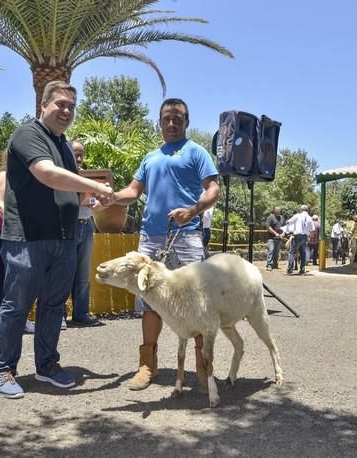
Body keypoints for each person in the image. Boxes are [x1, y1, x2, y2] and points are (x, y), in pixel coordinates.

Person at [0, 81, 114, 399]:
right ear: (43, 105)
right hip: (28, 239)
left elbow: (71, 191)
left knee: (54, 306)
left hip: (65, 239)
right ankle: (2, 369)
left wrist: (92, 201)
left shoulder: (64, 145)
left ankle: (46, 365)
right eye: (60, 104)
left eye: (71, 106)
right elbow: (46, 174)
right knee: (16, 305)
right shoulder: (28, 134)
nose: (66, 111)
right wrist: (96, 187)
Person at [110, 98, 219, 392]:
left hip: (187, 238)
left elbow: (214, 188)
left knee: (197, 301)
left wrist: (193, 211)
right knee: (150, 301)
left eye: (178, 119)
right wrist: (109, 197)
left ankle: (202, 365)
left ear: (187, 122)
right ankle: (147, 365)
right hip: (151, 239)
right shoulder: (150, 158)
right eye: (167, 119)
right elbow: (132, 192)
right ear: (159, 122)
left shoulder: (196, 152)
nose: (172, 124)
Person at [0, 151, 36, 334]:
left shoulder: (29, 177)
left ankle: (21, 318)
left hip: (26, 234)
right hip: (7, 232)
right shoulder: (4, 175)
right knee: (6, 275)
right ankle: (1, 319)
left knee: (23, 277)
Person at [67, 140, 100, 327]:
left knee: (83, 273)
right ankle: (59, 315)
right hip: (68, 225)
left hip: (86, 224)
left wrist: (98, 202)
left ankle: (81, 313)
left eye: (81, 154)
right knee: (62, 271)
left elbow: (95, 199)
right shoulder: (62, 174)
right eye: (75, 153)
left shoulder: (90, 176)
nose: (79, 157)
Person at [284, 204, 314, 274]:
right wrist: (309, 237)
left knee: (292, 252)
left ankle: (290, 270)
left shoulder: (297, 216)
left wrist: (288, 224)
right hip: (305, 236)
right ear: (307, 210)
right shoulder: (309, 218)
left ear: (301, 210)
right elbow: (312, 230)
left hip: (297, 236)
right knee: (302, 253)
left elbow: (288, 222)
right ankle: (302, 270)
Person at [265, 206, 284, 271]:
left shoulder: (281, 218)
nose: (278, 212)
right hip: (271, 238)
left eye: (279, 211)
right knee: (271, 250)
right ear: (274, 211)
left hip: (279, 238)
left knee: (276, 252)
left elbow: (283, 227)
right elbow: (268, 227)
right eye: (276, 211)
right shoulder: (271, 217)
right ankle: (269, 265)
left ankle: (275, 264)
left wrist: (282, 234)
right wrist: (275, 233)